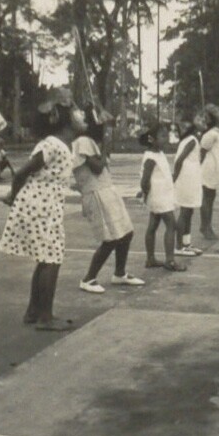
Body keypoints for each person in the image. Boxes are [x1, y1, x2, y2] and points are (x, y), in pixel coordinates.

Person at [0, 88, 84, 331]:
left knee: (46, 258)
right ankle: (45, 317)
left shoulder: (62, 145)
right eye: (75, 111)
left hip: (46, 206)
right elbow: (22, 173)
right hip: (40, 207)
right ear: (64, 118)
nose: (80, 114)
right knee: (52, 259)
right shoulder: (53, 144)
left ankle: (33, 311)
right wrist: (13, 195)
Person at [73, 104, 145, 294]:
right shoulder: (83, 141)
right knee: (111, 237)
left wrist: (105, 143)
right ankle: (88, 278)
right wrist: (105, 145)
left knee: (126, 232)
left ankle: (120, 273)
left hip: (106, 189)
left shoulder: (92, 142)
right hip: (96, 192)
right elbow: (97, 167)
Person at [140, 123, 187, 271]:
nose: (166, 139)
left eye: (167, 135)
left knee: (153, 226)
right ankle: (170, 260)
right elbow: (145, 179)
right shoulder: (151, 157)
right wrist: (145, 193)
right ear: (152, 139)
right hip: (158, 196)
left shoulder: (158, 153)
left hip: (161, 194)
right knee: (171, 225)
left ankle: (150, 259)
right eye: (162, 136)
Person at [173, 115, 205, 257]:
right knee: (185, 211)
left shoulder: (191, 139)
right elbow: (179, 160)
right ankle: (179, 246)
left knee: (189, 211)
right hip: (186, 177)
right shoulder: (191, 140)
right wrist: (174, 177)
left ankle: (186, 243)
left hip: (191, 177)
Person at [199, 104, 219, 240]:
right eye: (218, 113)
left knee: (211, 198)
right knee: (207, 198)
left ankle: (206, 225)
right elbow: (202, 153)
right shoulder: (210, 134)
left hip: (215, 169)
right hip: (209, 169)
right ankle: (206, 227)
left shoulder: (218, 133)